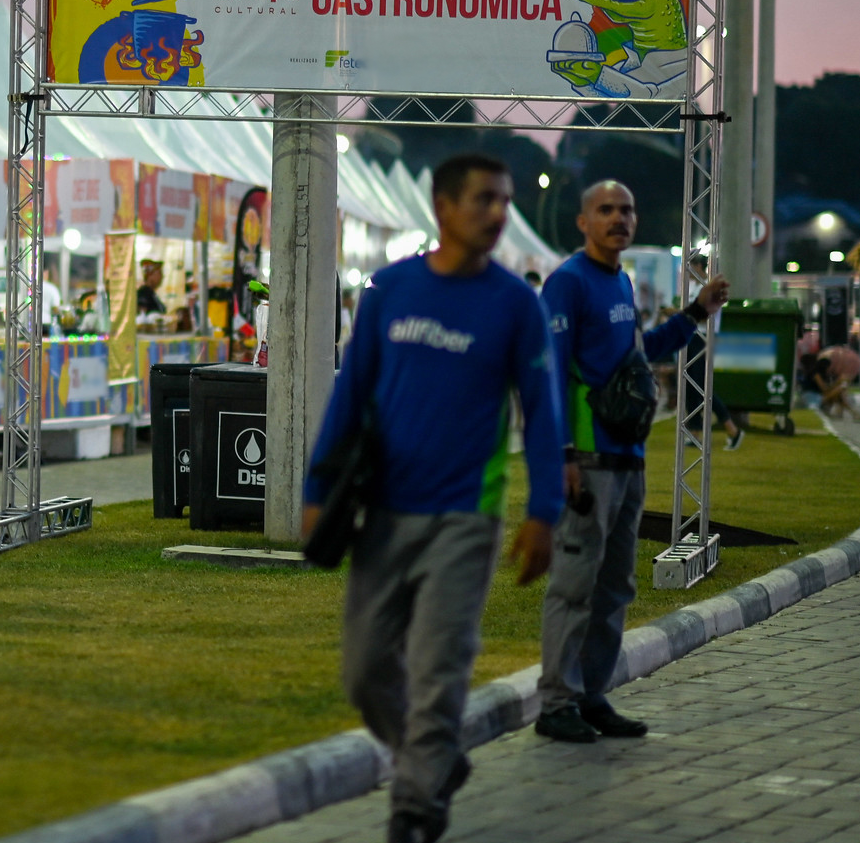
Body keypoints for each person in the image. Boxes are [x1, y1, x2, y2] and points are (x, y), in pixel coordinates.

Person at [303, 154, 564, 843]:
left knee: (437, 664)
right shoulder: (389, 290)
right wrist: (314, 488)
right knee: (363, 671)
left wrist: (542, 513)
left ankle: (414, 804)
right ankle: (437, 757)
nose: (498, 212)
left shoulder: (516, 304)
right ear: (443, 208)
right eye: (484, 198)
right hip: (381, 511)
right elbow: (350, 392)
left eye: (504, 200)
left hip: (462, 518)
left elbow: (543, 413)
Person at [535, 181, 729, 744]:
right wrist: (563, 455)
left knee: (615, 585)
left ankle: (591, 695)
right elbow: (546, 374)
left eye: (627, 209)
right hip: (587, 460)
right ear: (583, 221)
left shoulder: (619, 281)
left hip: (628, 458)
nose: (619, 218)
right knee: (573, 584)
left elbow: (637, 355)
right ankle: (556, 704)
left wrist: (696, 311)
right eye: (606, 210)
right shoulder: (567, 284)